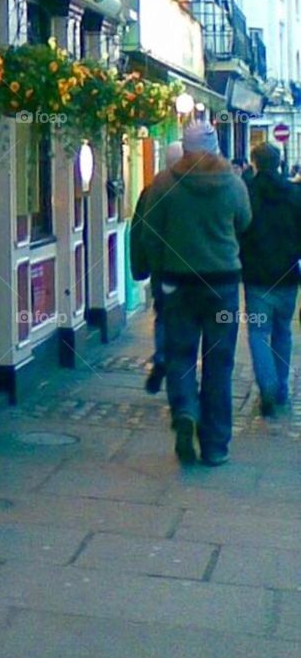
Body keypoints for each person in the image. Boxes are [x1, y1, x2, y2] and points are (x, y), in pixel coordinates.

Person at [130, 121, 251, 466]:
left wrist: (161, 269)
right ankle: (215, 446)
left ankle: (184, 408)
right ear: (213, 147)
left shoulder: (164, 184)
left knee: (181, 354)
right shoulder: (233, 182)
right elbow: (245, 222)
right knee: (219, 363)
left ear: (184, 147)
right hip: (222, 283)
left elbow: (149, 234)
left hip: (178, 282)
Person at [239, 142, 301, 415]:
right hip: (287, 275)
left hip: (256, 276)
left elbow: (240, 229)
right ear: (278, 163)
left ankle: (268, 388)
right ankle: (282, 387)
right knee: (283, 331)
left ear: (255, 162)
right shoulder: (294, 194)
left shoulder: (247, 193)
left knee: (258, 333)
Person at [131, 141, 183, 395]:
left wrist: (142, 266)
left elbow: (140, 232)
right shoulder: (194, 191)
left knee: (163, 314)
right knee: (187, 321)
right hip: (192, 272)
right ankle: (183, 376)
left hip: (162, 270)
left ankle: (163, 356)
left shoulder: (152, 191)